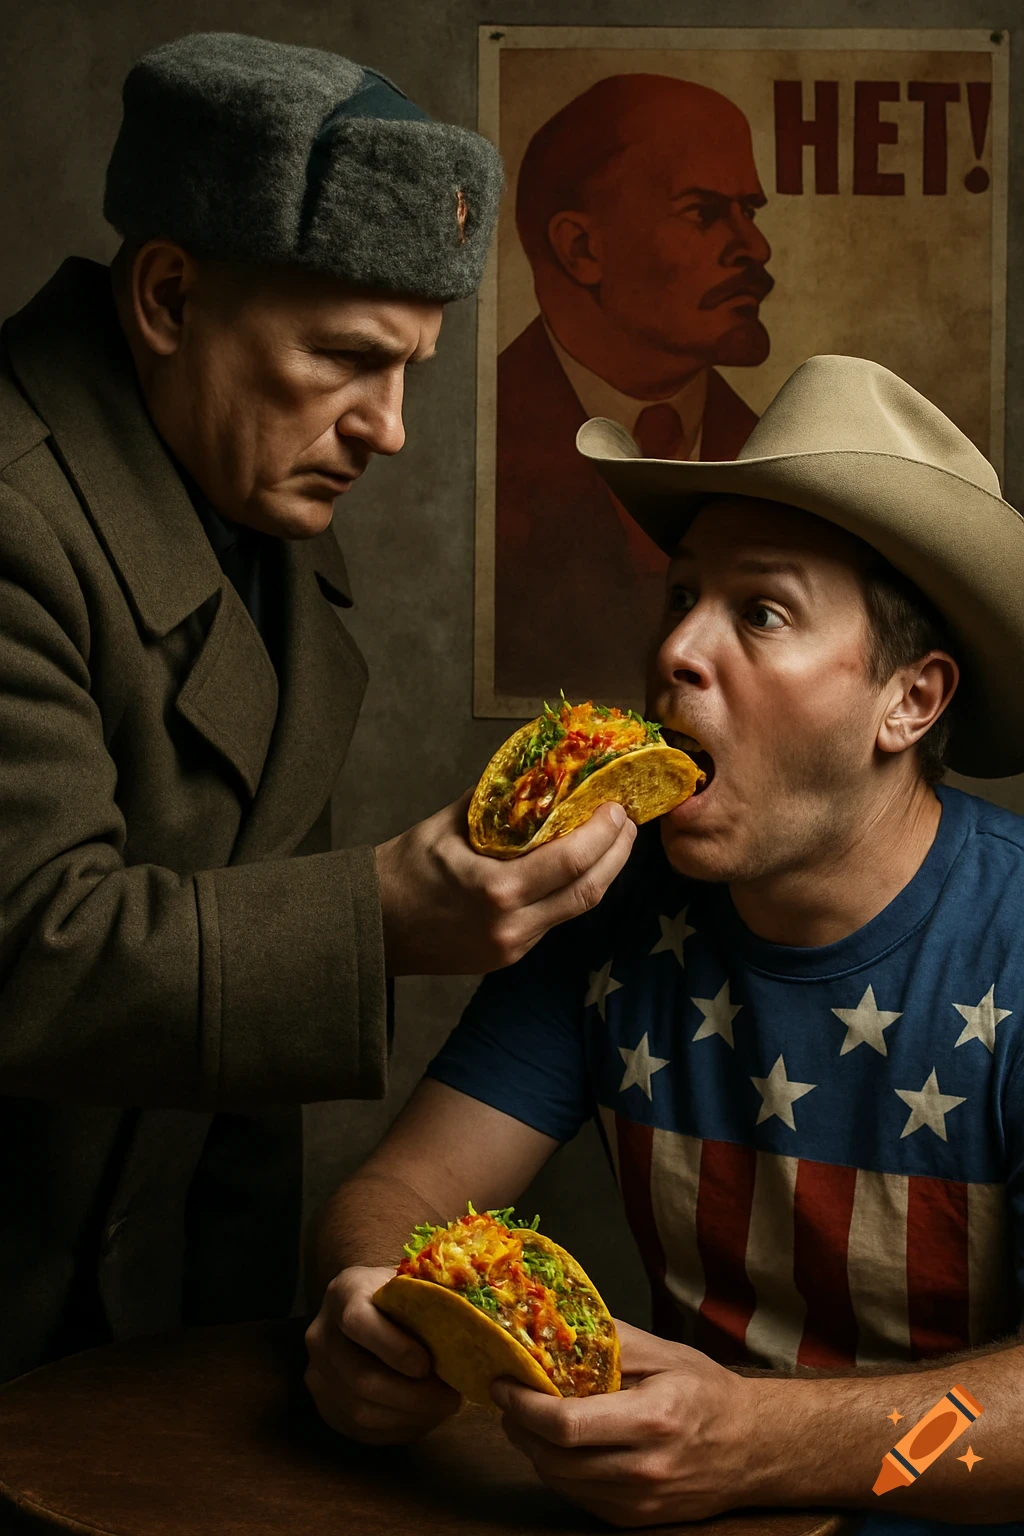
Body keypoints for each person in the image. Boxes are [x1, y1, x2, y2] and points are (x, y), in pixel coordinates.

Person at [0, 32, 638, 1385]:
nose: (390, 428)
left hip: (137, 1350)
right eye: (346, 358)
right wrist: (382, 913)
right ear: (168, 297)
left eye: (410, 366)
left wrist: (244, 1378)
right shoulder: (14, 515)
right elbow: (32, 957)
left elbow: (238, 1100)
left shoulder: (247, 513)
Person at [306, 355, 1024, 1530]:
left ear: (910, 701)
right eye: (683, 595)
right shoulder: (613, 903)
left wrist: (765, 1446)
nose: (676, 650)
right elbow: (405, 1189)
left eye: (761, 613)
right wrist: (377, 1305)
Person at [494, 74, 773, 701]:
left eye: (749, 212)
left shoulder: (767, 449)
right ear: (582, 247)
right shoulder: (481, 449)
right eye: (704, 213)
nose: (756, 246)